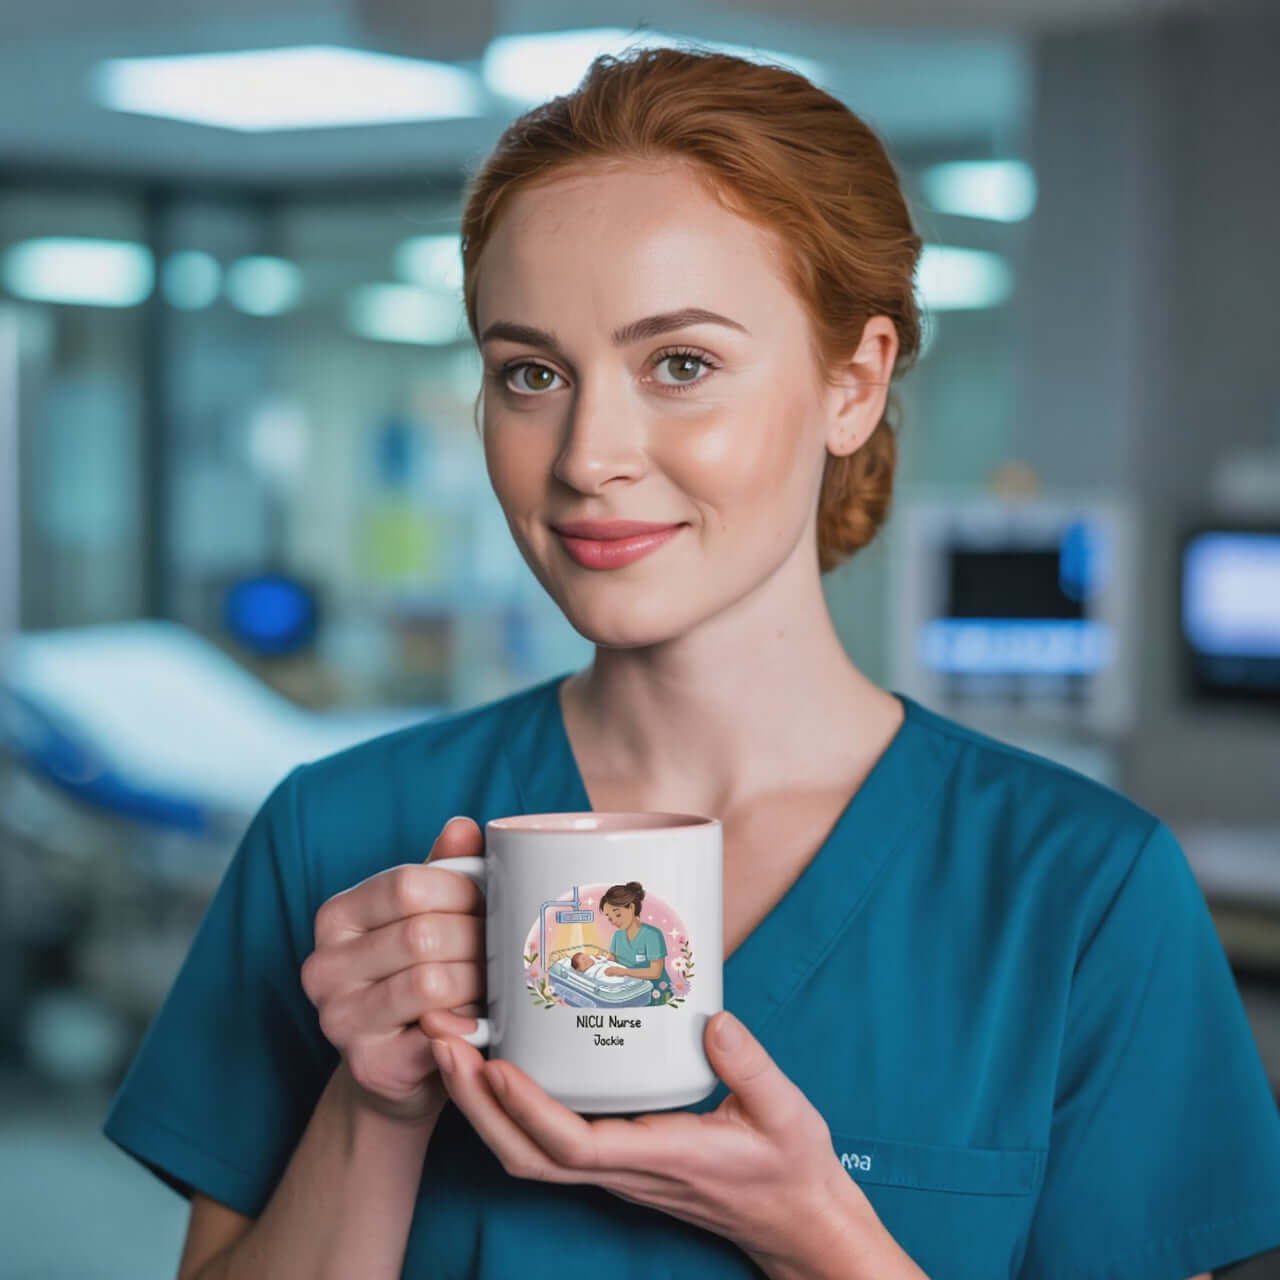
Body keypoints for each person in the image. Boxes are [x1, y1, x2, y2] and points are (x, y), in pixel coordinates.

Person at [100, 42, 1280, 1280]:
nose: (586, 453)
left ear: (853, 382)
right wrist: (378, 1106)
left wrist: (816, 1232)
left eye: (681, 364)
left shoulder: (1078, 891)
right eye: (530, 373)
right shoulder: (336, 837)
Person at [599, 881, 674, 1001]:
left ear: (632, 908)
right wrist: (599, 962)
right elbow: (612, 959)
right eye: (609, 918)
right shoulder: (618, 935)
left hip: (655, 990)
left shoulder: (652, 935)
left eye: (617, 915)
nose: (613, 921)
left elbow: (655, 972)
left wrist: (623, 972)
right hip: (631, 988)